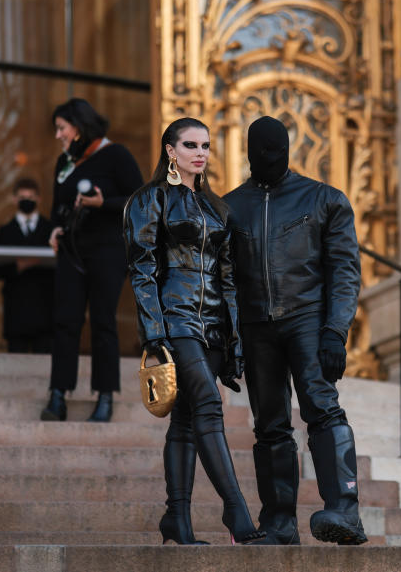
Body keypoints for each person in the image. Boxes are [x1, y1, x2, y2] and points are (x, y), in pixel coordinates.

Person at [223, 116, 366, 545]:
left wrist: (335, 331)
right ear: (249, 154)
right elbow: (223, 281)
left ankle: (345, 510)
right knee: (269, 426)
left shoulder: (324, 200)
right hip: (256, 327)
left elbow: (344, 271)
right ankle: (279, 523)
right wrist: (229, 341)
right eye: (263, 152)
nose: (271, 158)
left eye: (277, 151)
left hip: (308, 320)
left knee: (322, 408)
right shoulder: (229, 208)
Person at [124, 117, 265, 545]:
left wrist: (235, 338)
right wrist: (154, 331)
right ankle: (237, 514)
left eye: (205, 145)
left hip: (213, 327)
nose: (200, 152)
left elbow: (227, 279)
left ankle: (177, 521)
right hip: (174, 319)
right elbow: (142, 267)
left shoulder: (215, 208)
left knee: (185, 422)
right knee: (207, 403)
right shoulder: (149, 200)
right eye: (190, 144)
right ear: (170, 150)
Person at [40, 98, 143, 423]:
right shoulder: (64, 162)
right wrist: (56, 228)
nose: (58, 135)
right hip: (72, 250)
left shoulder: (116, 155)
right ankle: (58, 394)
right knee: (65, 320)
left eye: (62, 128)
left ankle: (105, 396)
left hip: (108, 251)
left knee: (102, 321)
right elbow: (57, 205)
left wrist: (104, 203)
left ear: (80, 127)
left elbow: (139, 201)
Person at [0, 177, 54, 353]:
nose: (27, 200)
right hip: (16, 311)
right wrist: (20, 266)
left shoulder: (51, 229)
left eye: (31, 196)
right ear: (14, 199)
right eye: (22, 196)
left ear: (39, 199)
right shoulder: (3, 232)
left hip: (45, 310)